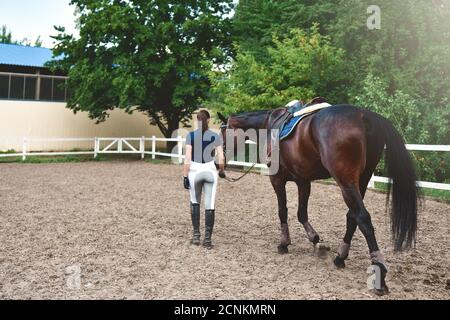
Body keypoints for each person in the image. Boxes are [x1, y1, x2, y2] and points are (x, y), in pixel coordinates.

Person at [183, 110, 226, 249]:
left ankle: (196, 236)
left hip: (195, 171)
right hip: (210, 171)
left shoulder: (190, 135)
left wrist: (185, 176)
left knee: (195, 202)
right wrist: (221, 170)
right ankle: (207, 239)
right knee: (210, 204)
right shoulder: (215, 136)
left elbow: (188, 157)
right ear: (208, 120)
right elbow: (221, 157)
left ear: (197, 120)